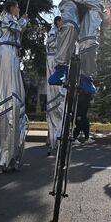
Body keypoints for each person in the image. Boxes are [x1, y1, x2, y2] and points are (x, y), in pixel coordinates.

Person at [0, 0, 29, 171]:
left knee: (17, 94)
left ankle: (14, 154)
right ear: (11, 7)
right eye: (17, 6)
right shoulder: (5, 17)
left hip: (13, 53)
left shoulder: (12, 19)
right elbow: (17, 28)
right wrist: (24, 20)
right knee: (9, 93)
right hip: (7, 52)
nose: (19, 8)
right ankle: (5, 155)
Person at [46, 16, 65, 155]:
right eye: (61, 21)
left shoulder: (61, 31)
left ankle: (58, 135)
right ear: (57, 22)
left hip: (59, 61)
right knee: (54, 96)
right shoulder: (53, 32)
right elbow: (51, 43)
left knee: (61, 96)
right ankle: (53, 138)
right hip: (53, 61)